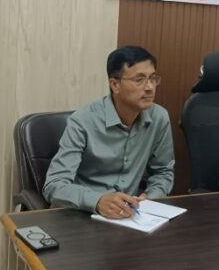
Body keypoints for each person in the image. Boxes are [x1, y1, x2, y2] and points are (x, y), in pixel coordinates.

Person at [43, 46, 175, 219]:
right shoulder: (82, 121)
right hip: (82, 214)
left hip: (129, 215)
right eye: (139, 79)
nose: (150, 87)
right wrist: (98, 201)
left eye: (153, 78)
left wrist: (150, 197)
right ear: (115, 85)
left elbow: (163, 172)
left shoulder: (159, 117)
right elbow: (54, 185)